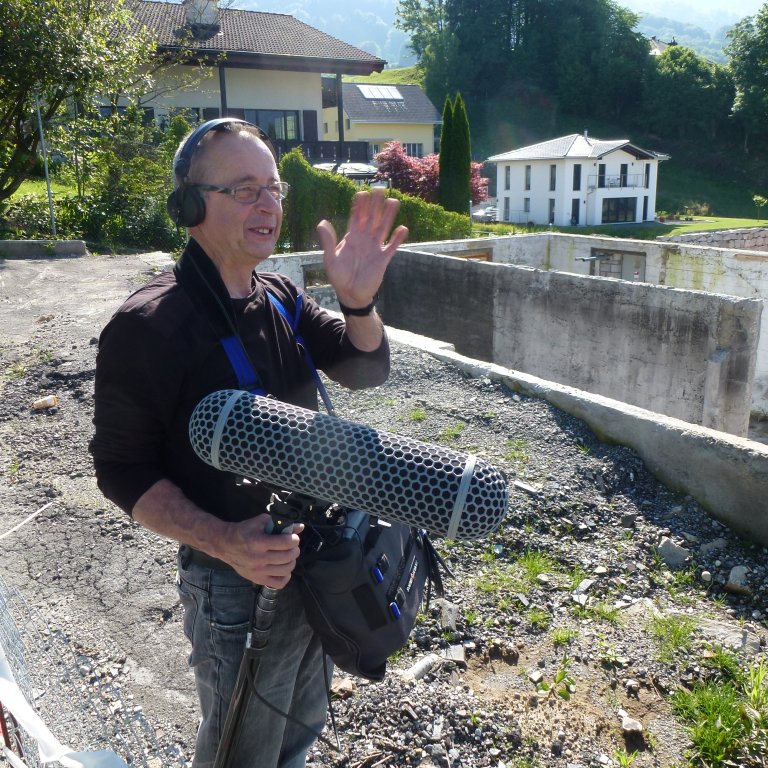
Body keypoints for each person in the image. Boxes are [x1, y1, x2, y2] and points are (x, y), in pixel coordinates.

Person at [89, 118, 408, 768]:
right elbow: (120, 469)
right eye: (244, 189)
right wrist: (224, 542)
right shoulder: (147, 327)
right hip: (234, 578)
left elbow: (363, 369)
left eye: (274, 188)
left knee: (303, 717)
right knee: (243, 746)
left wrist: (358, 304)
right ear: (190, 205)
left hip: (317, 558)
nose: (268, 205)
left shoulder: (283, 297)